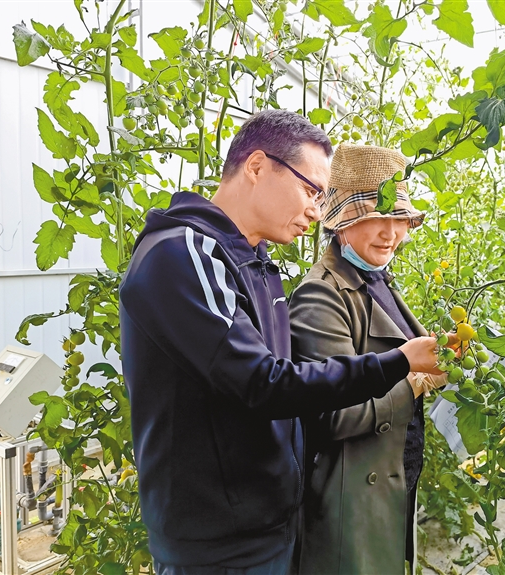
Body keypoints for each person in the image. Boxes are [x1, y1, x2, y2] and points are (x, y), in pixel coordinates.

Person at [119, 111, 443, 574]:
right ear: (256, 166)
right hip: (217, 547)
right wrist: (400, 365)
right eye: (310, 190)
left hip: (268, 527)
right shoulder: (182, 255)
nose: (316, 210)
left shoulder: (257, 264)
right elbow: (265, 383)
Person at [289, 144, 448, 575]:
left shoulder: (377, 279)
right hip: (350, 505)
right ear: (341, 223)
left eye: (399, 219)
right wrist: (414, 380)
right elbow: (331, 412)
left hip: (388, 487)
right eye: (375, 217)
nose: (390, 233)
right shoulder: (322, 293)